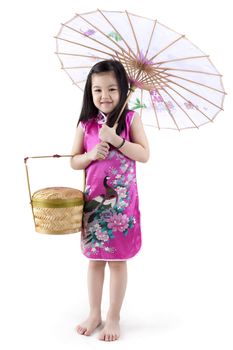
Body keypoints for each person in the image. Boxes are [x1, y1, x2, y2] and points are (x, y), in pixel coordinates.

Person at [70, 59, 150, 341]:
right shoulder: (86, 124)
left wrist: (117, 141)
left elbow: (144, 154)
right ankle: (94, 312)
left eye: (113, 89)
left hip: (121, 206)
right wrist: (91, 155)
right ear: (89, 93)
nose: (105, 96)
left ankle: (114, 316)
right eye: (98, 90)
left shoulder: (131, 120)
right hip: (94, 202)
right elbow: (74, 161)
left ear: (124, 90)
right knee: (94, 260)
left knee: (117, 260)